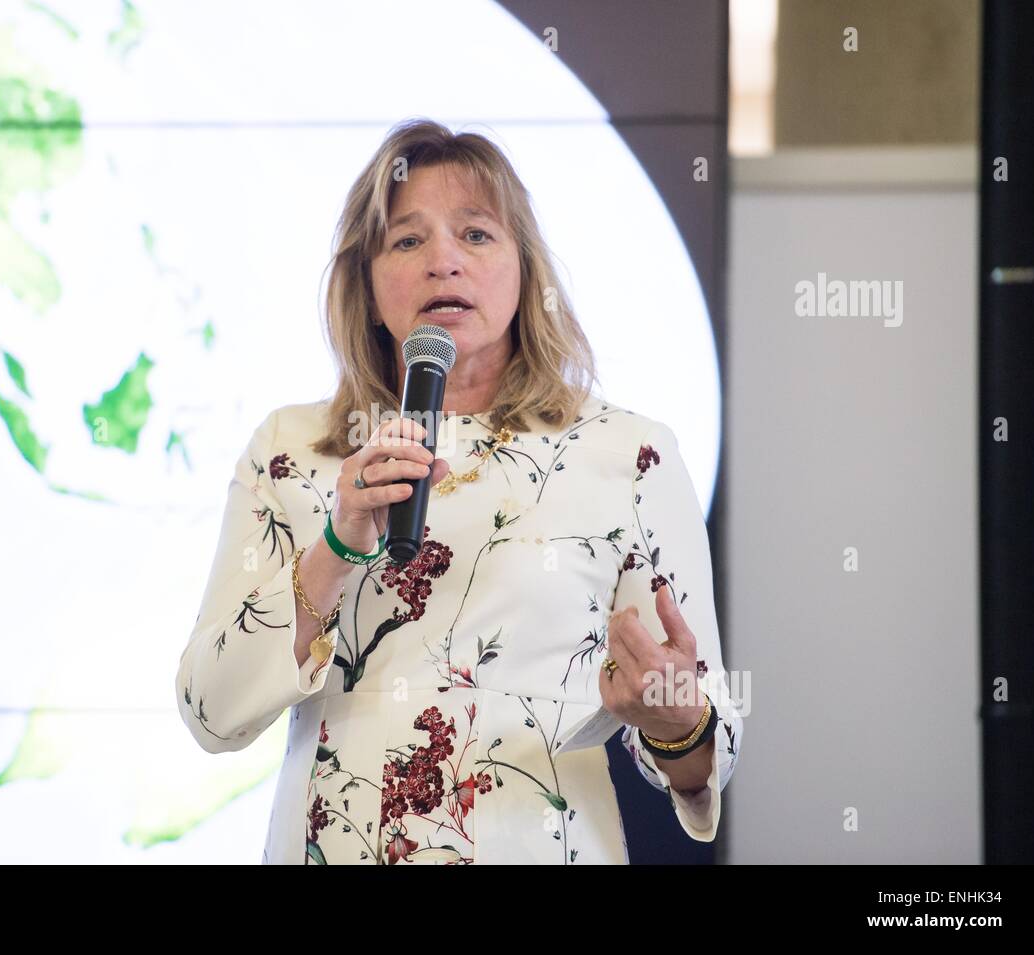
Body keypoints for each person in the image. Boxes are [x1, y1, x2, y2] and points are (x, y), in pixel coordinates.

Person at [175, 118, 742, 864]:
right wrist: (339, 544)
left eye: (476, 234)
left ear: (524, 272)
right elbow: (211, 709)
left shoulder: (626, 453)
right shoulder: (292, 451)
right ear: (368, 285)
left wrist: (676, 719)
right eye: (408, 240)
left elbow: (707, 759)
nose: (443, 261)